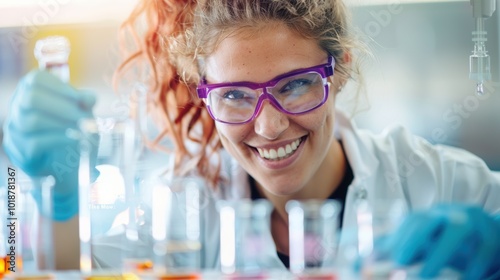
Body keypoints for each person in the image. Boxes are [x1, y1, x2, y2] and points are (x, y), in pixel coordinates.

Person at [2, 0, 500, 278]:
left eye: (296, 85)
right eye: (236, 95)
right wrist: (56, 200)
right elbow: (64, 272)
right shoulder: (181, 207)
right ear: (204, 94)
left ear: (340, 71)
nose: (268, 126)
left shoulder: (442, 182)